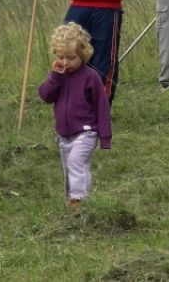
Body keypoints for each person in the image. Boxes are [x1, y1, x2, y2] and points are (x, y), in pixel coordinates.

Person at [38, 22, 112, 209]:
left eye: (71, 58)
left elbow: (102, 107)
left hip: (86, 133)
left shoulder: (90, 77)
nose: (65, 62)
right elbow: (45, 96)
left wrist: (105, 137)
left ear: (82, 55)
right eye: (60, 57)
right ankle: (74, 201)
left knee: (76, 161)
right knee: (69, 169)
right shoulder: (57, 77)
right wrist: (55, 77)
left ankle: (78, 199)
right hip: (64, 136)